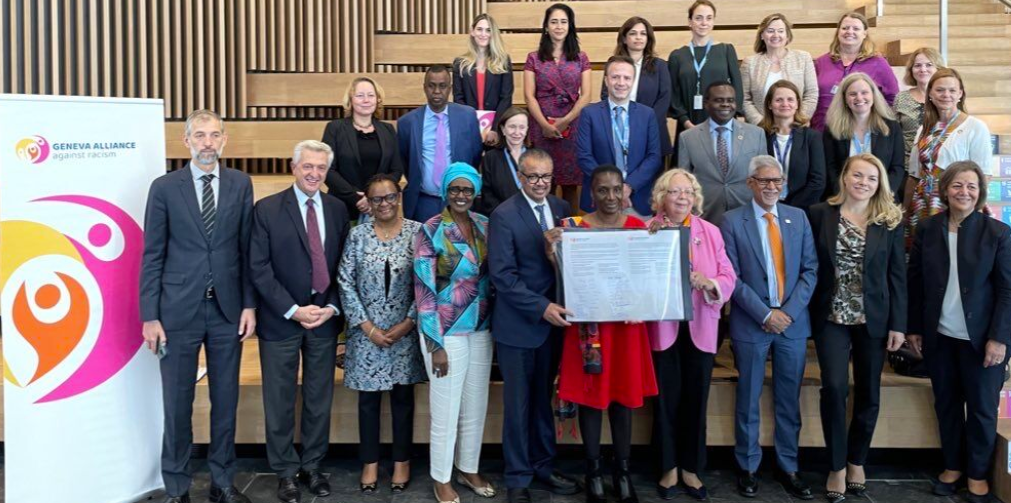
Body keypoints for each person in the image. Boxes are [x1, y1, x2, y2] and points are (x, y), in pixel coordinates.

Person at [140, 109, 257, 503]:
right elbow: (152, 255)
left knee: (226, 402)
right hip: (176, 313)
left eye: (214, 135)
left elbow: (246, 251)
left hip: (227, 311)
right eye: (200, 135)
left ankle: (222, 484)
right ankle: (177, 488)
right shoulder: (164, 188)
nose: (208, 142)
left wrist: (248, 305)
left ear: (224, 140)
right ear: (185, 141)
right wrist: (150, 316)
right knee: (177, 405)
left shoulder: (241, 184)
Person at [548, 165, 659, 503]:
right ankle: (593, 471)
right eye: (602, 190)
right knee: (591, 400)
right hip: (589, 331)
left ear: (625, 192)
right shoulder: (573, 228)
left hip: (627, 329)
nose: (610, 197)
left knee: (623, 400)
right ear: (590, 192)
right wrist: (552, 248)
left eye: (616, 190)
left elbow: (650, 277)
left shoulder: (640, 228)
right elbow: (562, 275)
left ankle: (622, 472)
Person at [249, 140, 350, 503]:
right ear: (294, 167)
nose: (313, 174)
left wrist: (333, 307)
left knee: (318, 397)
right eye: (307, 166)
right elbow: (258, 268)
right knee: (278, 398)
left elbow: (343, 268)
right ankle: (285, 472)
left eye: (320, 168)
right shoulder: (267, 209)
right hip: (281, 320)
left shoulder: (338, 210)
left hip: (324, 318)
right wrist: (292, 309)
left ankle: (312, 465)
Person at [907, 161, 1011, 503]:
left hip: (984, 341)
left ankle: (978, 473)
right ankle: (952, 466)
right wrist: (915, 329)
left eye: (971, 186)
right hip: (940, 337)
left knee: (982, 409)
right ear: (945, 189)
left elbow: (1008, 290)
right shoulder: (927, 229)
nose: (964, 192)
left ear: (980, 191)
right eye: (957, 185)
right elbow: (916, 281)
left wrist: (1000, 338)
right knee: (947, 405)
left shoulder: (998, 233)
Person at [808, 154, 907, 503]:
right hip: (830, 317)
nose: (864, 182)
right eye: (858, 175)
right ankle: (835, 465)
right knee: (834, 388)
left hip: (873, 319)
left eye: (872, 178)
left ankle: (856, 461)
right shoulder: (819, 214)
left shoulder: (890, 221)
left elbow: (898, 277)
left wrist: (899, 324)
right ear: (845, 177)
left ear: (880, 184)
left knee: (869, 393)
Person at [719, 155, 818, 500]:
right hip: (752, 323)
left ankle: (788, 465)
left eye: (777, 181)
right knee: (747, 398)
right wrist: (765, 314)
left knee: (789, 399)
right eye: (764, 181)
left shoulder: (798, 218)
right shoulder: (731, 221)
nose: (772, 187)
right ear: (750, 184)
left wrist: (786, 313)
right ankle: (747, 466)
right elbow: (732, 276)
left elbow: (810, 271)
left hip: (791, 325)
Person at [488, 148, 578, 503]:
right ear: (520, 178)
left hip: (555, 327)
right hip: (519, 326)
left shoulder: (562, 211)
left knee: (544, 400)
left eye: (546, 176)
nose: (540, 183)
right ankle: (518, 477)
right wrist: (543, 307)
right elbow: (503, 277)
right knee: (519, 404)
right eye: (533, 177)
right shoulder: (503, 215)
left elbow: (571, 263)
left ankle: (543, 464)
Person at [645, 169, 737, 501]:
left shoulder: (710, 231)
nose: (682, 197)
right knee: (666, 398)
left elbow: (728, 274)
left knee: (696, 398)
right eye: (674, 192)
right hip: (664, 326)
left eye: (688, 192)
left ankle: (691, 467)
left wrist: (710, 283)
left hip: (701, 325)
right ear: (661, 197)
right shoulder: (647, 229)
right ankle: (668, 465)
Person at [337, 174, 426, 494]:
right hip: (366, 333)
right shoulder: (357, 235)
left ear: (399, 196)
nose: (384, 204)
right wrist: (367, 327)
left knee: (403, 398)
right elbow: (345, 281)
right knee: (368, 402)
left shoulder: (418, 232)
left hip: (405, 331)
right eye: (377, 199)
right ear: (369, 204)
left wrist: (408, 323)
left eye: (390, 197)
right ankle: (370, 462)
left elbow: (427, 284)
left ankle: (402, 461)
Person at [414, 162, 495, 503]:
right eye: (454, 189)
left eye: (467, 190)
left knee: (476, 403)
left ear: (476, 192)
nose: (461, 195)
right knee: (445, 408)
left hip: (480, 325)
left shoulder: (485, 225)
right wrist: (435, 345)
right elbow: (423, 289)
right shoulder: (429, 230)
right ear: (445, 192)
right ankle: (441, 477)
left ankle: (468, 466)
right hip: (444, 329)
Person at [906, 68, 993, 233]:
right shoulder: (924, 128)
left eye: (952, 90)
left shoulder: (975, 127)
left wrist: (969, 208)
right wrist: (904, 210)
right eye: (940, 90)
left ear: (960, 94)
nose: (946, 95)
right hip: (923, 203)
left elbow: (984, 176)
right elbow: (914, 176)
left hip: (957, 202)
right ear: (930, 93)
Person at [524, 3, 592, 210]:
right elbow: (529, 96)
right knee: (544, 181)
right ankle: (544, 228)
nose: (559, 26)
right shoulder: (533, 58)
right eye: (554, 22)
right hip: (541, 124)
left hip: (572, 125)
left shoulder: (581, 57)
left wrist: (565, 121)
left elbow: (587, 95)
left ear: (570, 26)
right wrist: (545, 125)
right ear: (546, 26)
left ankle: (571, 231)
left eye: (564, 21)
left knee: (571, 185)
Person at [578, 55, 663, 216]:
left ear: (633, 81)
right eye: (615, 77)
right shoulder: (589, 114)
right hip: (598, 199)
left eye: (627, 78)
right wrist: (612, 188)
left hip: (637, 199)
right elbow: (584, 157)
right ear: (606, 80)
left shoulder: (647, 115)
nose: (621, 83)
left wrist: (628, 186)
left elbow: (654, 157)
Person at [398, 65, 483, 223]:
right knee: (424, 247)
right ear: (424, 88)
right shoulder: (407, 122)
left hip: (460, 200)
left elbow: (475, 155)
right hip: (423, 201)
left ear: (450, 88)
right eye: (431, 86)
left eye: (442, 86)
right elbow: (405, 161)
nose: (437, 91)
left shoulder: (467, 116)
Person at [677, 82, 768, 226]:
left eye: (730, 100)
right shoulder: (688, 138)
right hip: (705, 216)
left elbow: (764, 177)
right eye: (719, 100)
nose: (726, 104)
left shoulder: (756, 134)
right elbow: (683, 180)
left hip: (747, 215)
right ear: (706, 103)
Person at [322, 77, 404, 221]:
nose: (366, 100)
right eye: (360, 95)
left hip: (379, 208)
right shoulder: (335, 128)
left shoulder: (388, 130)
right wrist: (356, 198)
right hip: (342, 206)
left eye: (371, 95)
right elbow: (328, 169)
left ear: (377, 99)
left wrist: (375, 197)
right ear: (350, 100)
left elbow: (396, 169)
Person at [823, 72, 904, 201]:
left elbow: (897, 167)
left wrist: (883, 194)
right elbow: (831, 168)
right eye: (852, 94)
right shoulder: (832, 129)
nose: (859, 98)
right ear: (844, 98)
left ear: (873, 95)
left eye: (864, 92)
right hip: (844, 199)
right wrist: (843, 195)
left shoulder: (891, 127)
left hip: (883, 199)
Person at [812, 12, 898, 131]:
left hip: (863, 133)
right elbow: (811, 96)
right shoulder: (821, 62)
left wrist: (875, 121)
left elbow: (893, 98)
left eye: (856, 28)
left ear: (864, 34)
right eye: (845, 28)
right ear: (838, 32)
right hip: (822, 131)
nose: (849, 32)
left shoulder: (878, 62)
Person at [668, 0, 743, 134]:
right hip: (688, 127)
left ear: (713, 21)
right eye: (698, 18)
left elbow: (737, 88)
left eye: (709, 18)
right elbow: (674, 94)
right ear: (690, 21)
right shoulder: (677, 55)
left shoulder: (726, 50)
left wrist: (727, 119)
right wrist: (686, 122)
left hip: (722, 125)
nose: (704, 23)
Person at [602, 16, 673, 157]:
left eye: (643, 33)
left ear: (648, 38)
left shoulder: (660, 66)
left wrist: (644, 124)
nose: (638, 37)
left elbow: (664, 99)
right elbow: (605, 94)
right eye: (633, 33)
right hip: (619, 129)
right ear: (624, 38)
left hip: (652, 131)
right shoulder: (613, 64)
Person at [759, 80, 826, 210]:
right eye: (779, 100)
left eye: (790, 99)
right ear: (770, 104)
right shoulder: (760, 135)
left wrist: (789, 208)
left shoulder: (812, 137)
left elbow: (818, 181)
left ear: (797, 104)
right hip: (766, 207)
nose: (785, 104)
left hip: (802, 209)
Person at [741, 13, 818, 126]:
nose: (776, 35)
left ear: (787, 36)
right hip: (760, 130)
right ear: (762, 35)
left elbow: (811, 94)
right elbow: (744, 99)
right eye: (770, 31)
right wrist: (762, 124)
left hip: (797, 127)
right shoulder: (749, 63)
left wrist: (796, 121)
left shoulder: (803, 58)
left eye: (781, 31)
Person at [453, 14, 513, 146]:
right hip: (468, 129)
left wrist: (494, 128)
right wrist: (472, 126)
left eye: (488, 30)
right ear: (472, 31)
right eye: (479, 29)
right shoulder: (460, 63)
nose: (483, 34)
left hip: (496, 131)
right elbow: (458, 98)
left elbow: (506, 98)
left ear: (493, 34)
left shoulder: (503, 61)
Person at [893, 48, 944, 159]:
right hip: (907, 165)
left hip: (939, 165)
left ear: (938, 69)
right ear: (911, 70)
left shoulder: (945, 97)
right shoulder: (901, 98)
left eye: (929, 65)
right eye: (917, 65)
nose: (923, 69)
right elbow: (893, 134)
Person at [478, 107, 529, 215]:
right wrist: (505, 216)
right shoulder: (490, 158)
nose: (517, 132)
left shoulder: (537, 156)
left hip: (532, 218)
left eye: (522, 127)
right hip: (501, 219)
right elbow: (488, 195)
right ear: (503, 129)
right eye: (512, 127)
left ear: (527, 129)